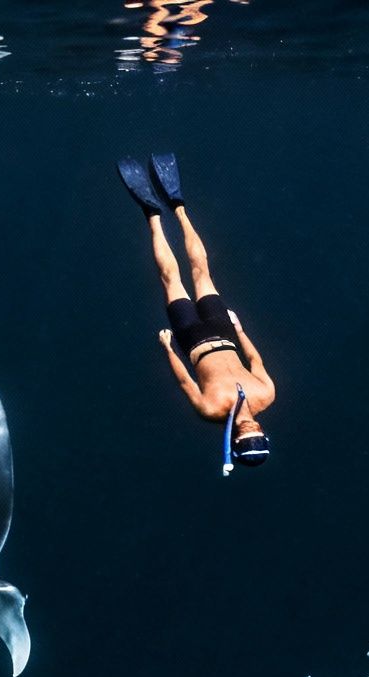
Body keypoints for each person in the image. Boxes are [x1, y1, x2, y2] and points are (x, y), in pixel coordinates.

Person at [117, 152, 277, 474]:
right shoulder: (267, 394)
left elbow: (186, 382)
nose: (249, 433)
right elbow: (256, 361)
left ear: (234, 442)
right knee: (202, 270)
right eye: (256, 437)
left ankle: (152, 215)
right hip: (225, 333)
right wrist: (241, 330)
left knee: (170, 277)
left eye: (244, 441)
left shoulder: (211, 409)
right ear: (263, 433)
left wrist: (168, 349)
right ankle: (178, 208)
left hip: (192, 338)